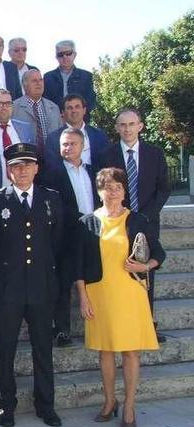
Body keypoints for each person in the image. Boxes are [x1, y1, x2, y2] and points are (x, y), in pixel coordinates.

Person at [0, 142, 64, 427]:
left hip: (41, 286)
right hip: (8, 288)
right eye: (17, 166)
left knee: (43, 348)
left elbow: (57, 244)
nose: (23, 170)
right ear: (9, 170)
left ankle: (46, 404)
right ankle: (7, 403)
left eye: (28, 164)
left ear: (36, 168)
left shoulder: (51, 199)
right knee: (5, 349)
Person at [75, 167, 163, 427]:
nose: (112, 192)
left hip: (130, 293)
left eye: (117, 187)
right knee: (105, 351)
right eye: (107, 187)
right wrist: (83, 297)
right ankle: (109, 400)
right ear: (99, 191)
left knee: (131, 352)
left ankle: (130, 405)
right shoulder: (87, 222)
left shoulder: (138, 220)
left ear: (125, 191)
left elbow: (158, 252)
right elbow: (78, 264)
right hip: (99, 293)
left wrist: (144, 267)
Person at [97, 108, 170, 342]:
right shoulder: (106, 155)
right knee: (120, 270)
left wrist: (146, 216)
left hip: (146, 222)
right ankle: (120, 324)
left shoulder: (154, 154)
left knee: (145, 272)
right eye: (122, 125)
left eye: (132, 124)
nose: (127, 129)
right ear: (117, 128)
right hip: (117, 222)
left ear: (140, 126)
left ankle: (147, 323)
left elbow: (163, 188)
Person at [43, 128, 98, 348]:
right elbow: (54, 206)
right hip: (66, 233)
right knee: (64, 281)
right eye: (64, 144)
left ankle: (97, 324)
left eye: (72, 144)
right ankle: (62, 330)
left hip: (95, 232)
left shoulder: (93, 171)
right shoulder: (50, 173)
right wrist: (81, 218)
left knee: (95, 276)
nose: (68, 148)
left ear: (83, 146)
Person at [44, 94, 110, 175]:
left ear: (84, 110)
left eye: (77, 107)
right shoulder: (53, 139)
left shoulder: (99, 135)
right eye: (69, 108)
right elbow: (52, 167)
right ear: (63, 113)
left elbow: (107, 163)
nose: (74, 110)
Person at [12, 69, 62, 157]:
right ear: (24, 85)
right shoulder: (14, 108)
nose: (38, 83)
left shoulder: (54, 107)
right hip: (26, 160)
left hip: (51, 159)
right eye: (34, 81)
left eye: (40, 80)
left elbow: (60, 136)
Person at [43, 40, 96, 120]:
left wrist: (78, 115)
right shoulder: (48, 77)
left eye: (68, 53)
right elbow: (45, 102)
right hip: (55, 122)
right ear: (56, 57)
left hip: (80, 122)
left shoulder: (86, 76)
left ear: (74, 55)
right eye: (60, 54)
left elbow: (91, 101)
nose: (65, 57)